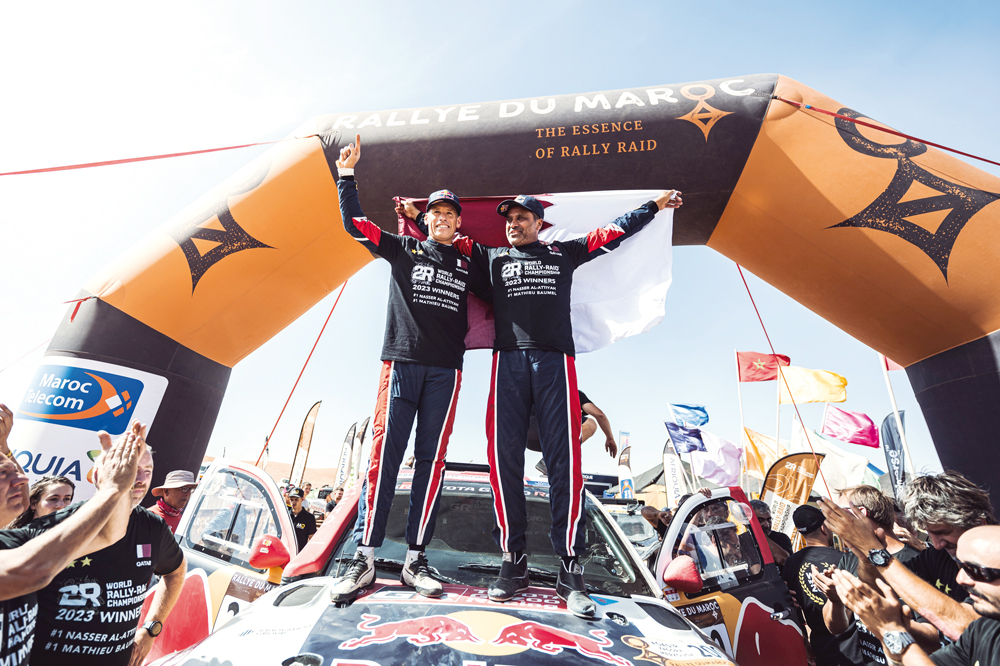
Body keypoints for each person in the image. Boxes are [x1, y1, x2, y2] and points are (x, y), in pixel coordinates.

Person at [427, 187, 680, 618]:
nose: (513, 223)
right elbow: (446, 234)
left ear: (539, 223)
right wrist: (418, 214)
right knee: (503, 460)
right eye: (509, 218)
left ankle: (569, 568)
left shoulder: (564, 252)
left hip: (555, 362)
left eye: (523, 218)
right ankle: (514, 561)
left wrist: (654, 206)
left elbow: (613, 232)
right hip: (507, 362)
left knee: (565, 464)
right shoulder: (491, 257)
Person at [330, 134, 490, 603]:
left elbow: (508, 281)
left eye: (450, 214)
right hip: (401, 364)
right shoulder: (403, 248)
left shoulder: (469, 260)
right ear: (428, 219)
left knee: (431, 464)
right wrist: (347, 176)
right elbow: (356, 224)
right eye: (434, 212)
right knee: (385, 460)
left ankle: (415, 560)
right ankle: (364, 558)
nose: (442, 218)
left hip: (446, 372)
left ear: (459, 222)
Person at [30, 433, 187, 666]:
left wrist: (151, 628)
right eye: (131, 467)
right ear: (99, 475)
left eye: (148, 470)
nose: (141, 479)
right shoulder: (61, 523)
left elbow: (176, 571)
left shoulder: (153, 527)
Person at [0, 422, 145, 666]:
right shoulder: (22, 552)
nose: (22, 477)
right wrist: (111, 489)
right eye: (3, 473)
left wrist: (120, 486)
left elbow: (111, 533)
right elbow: (30, 571)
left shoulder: (15, 539)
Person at [818, 479, 984, 646]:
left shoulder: (929, 559)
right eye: (929, 533)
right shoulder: (850, 559)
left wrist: (874, 551)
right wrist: (836, 599)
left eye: (839, 514)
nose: (936, 543)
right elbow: (838, 626)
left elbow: (957, 627)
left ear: (860, 513)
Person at [829, 525, 1000, 666]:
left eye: (977, 571)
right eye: (960, 566)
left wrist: (892, 632)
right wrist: (890, 629)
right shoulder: (983, 628)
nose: (960, 578)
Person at [781, 505, 852, 666]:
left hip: (821, 645)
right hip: (852, 644)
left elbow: (792, 606)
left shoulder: (792, 563)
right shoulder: (844, 559)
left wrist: (804, 641)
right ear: (823, 528)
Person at [527, 390, 618, 463]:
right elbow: (599, 414)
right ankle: (555, 460)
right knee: (590, 424)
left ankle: (552, 464)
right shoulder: (572, 391)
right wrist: (610, 438)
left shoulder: (538, 389)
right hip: (545, 432)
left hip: (529, 440)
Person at [6, 476, 75, 529]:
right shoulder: (11, 537)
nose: (61, 505)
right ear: (33, 503)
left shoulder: (75, 541)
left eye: (66, 499)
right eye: (53, 499)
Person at [749, 499, 792, 567]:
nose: (767, 525)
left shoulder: (781, 538)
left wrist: (759, 534)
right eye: (760, 520)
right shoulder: (742, 540)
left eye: (769, 520)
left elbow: (783, 559)